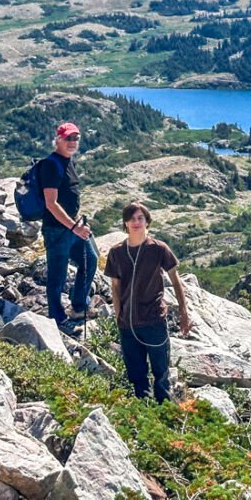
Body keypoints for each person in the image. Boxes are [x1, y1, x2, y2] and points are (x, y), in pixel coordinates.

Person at [104, 201, 191, 404]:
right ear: (125, 223)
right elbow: (115, 288)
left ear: (147, 222)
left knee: (161, 374)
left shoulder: (158, 249)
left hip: (154, 320)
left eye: (140, 218)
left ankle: (164, 412)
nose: (136, 222)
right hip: (128, 323)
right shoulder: (116, 252)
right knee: (137, 375)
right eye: (132, 218)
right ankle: (143, 412)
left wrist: (184, 314)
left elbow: (176, 282)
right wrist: (119, 316)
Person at [39, 121, 98, 335]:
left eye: (76, 138)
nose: (72, 142)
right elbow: (51, 203)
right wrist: (74, 227)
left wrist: (78, 224)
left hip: (72, 227)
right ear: (58, 140)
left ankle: (78, 304)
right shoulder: (51, 165)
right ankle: (56, 316)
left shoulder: (68, 161)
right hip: (57, 230)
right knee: (57, 275)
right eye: (68, 138)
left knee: (90, 259)